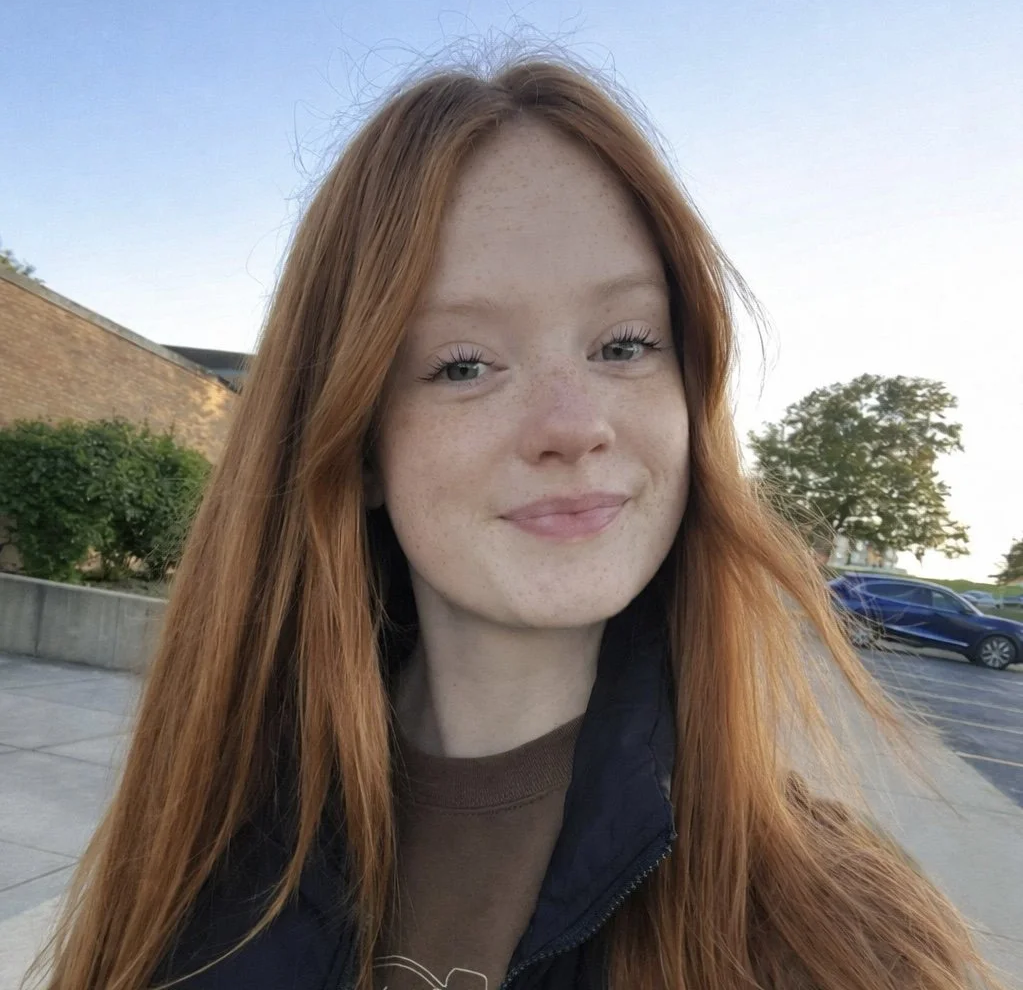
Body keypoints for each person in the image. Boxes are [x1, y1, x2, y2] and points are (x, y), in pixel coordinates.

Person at [31, 56, 1002, 990]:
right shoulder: (203, 838)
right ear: (360, 442)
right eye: (465, 364)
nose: (573, 426)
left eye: (625, 343)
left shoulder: (831, 939)